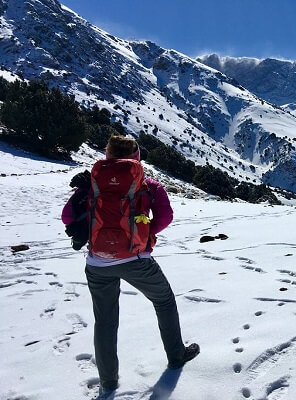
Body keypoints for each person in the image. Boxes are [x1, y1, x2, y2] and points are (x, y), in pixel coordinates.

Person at [62, 135, 199, 394]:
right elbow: (165, 217)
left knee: (105, 321)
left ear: (108, 155)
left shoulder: (91, 183)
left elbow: (67, 216)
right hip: (136, 259)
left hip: (97, 263)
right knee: (164, 301)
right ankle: (176, 355)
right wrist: (145, 235)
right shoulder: (147, 185)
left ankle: (108, 382)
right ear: (136, 157)